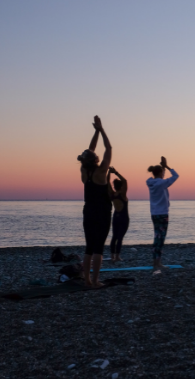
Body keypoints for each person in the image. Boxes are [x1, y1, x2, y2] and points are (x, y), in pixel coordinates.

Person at [77, 116, 112, 287]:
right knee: (98, 247)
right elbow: (108, 148)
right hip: (102, 211)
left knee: (89, 247)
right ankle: (96, 281)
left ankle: (87, 280)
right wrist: (101, 130)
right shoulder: (101, 172)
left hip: (88, 210)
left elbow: (90, 150)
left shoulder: (84, 171)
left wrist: (95, 132)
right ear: (96, 161)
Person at [146, 156, 179, 271]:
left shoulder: (151, 183)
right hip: (163, 214)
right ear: (161, 173)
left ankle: (155, 262)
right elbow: (176, 176)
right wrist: (167, 166)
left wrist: (163, 167)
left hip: (154, 213)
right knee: (161, 239)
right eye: (163, 172)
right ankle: (157, 263)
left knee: (157, 237)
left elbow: (162, 178)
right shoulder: (162, 183)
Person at [107, 167, 129, 264]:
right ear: (121, 186)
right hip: (124, 218)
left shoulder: (112, 194)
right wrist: (115, 172)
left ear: (114, 186)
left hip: (116, 217)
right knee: (119, 237)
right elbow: (125, 180)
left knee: (114, 237)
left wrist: (109, 173)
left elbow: (107, 182)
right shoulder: (123, 194)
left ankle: (112, 256)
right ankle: (117, 257)